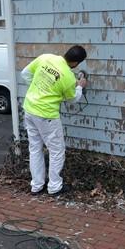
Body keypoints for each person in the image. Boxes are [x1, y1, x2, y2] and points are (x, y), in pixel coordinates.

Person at [21, 45, 87, 196]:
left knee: (35, 148)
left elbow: (25, 74)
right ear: (76, 63)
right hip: (47, 116)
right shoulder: (68, 77)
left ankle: (36, 186)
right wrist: (80, 87)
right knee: (57, 151)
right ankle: (54, 187)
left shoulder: (45, 57)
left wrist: (38, 91)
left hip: (30, 108)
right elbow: (72, 99)